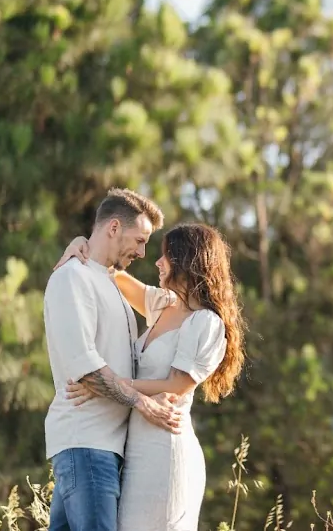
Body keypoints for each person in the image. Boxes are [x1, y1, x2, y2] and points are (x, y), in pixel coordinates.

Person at [55, 221, 247, 530]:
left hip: (165, 449)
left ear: (187, 261)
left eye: (166, 255)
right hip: (135, 447)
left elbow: (176, 386)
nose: (157, 262)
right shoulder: (164, 305)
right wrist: (80, 242)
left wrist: (108, 384)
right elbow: (111, 272)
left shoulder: (206, 323)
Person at [43, 187, 182, 531]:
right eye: (140, 240)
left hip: (105, 446)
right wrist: (142, 402)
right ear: (114, 227)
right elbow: (86, 369)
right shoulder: (72, 277)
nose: (143, 251)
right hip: (87, 443)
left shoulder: (108, 281)